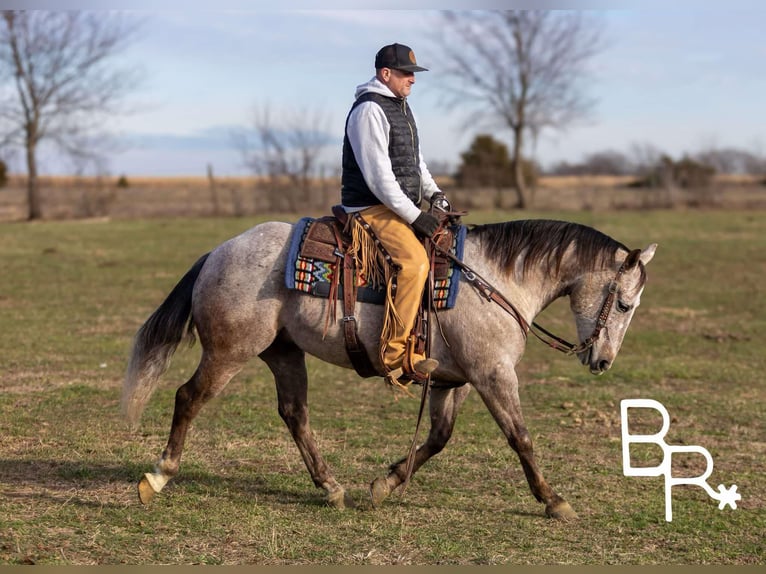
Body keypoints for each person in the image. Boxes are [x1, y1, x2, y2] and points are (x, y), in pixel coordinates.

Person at [341, 42, 450, 386]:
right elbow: (379, 179)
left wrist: (435, 194)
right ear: (385, 74)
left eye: (413, 75)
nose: (412, 80)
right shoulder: (369, 110)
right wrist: (415, 216)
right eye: (406, 74)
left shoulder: (399, 106)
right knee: (414, 264)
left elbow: (414, 162)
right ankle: (394, 355)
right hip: (370, 207)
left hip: (399, 203)